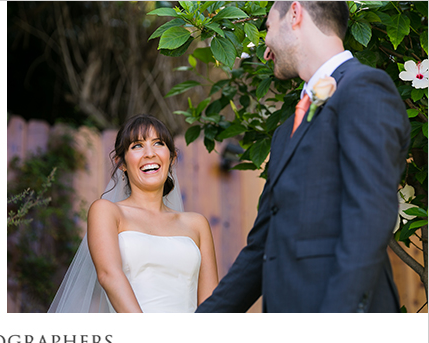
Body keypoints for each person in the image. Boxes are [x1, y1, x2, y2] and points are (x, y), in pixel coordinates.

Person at [197, 2, 409, 313]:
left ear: (295, 14)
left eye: (268, 28)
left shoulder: (364, 88)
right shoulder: (285, 133)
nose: (265, 50)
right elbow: (261, 249)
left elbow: (370, 215)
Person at [49, 114, 219, 312]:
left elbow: (211, 301)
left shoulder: (197, 224)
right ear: (121, 163)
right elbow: (108, 274)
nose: (149, 153)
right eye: (137, 146)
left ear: (171, 158)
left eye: (158, 143)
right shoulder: (107, 212)